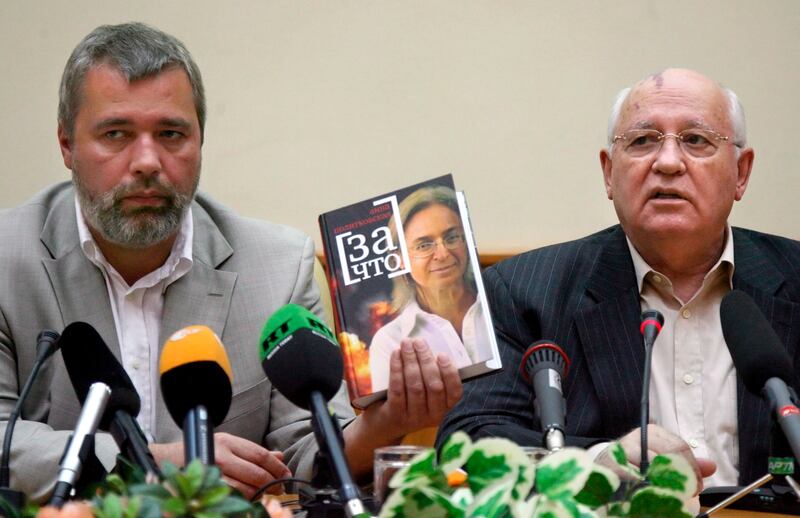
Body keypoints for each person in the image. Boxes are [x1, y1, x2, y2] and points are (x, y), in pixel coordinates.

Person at [0, 22, 462, 502]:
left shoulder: (278, 266)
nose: (147, 162)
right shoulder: (6, 259)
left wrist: (387, 422)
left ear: (200, 142)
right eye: (115, 134)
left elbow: (306, 457)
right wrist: (153, 461)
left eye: (171, 133)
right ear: (67, 145)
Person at [438, 68, 800, 491]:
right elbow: (468, 442)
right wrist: (594, 462)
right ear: (609, 173)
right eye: (643, 140)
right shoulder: (522, 292)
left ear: (741, 172)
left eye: (696, 140)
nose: (667, 163)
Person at [369, 186, 492, 390]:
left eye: (452, 237)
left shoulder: (500, 305)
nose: (442, 254)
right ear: (399, 259)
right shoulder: (390, 341)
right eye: (424, 245)